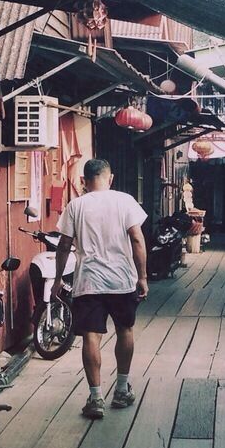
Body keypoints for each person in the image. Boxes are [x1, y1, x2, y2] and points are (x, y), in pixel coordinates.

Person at [53, 158, 148, 420]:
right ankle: (120, 389)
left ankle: (95, 398)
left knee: (91, 337)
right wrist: (142, 277)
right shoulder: (125, 200)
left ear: (84, 181)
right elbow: (137, 238)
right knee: (124, 330)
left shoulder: (76, 205)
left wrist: (58, 279)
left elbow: (63, 246)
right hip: (121, 279)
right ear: (110, 178)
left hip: (89, 281)